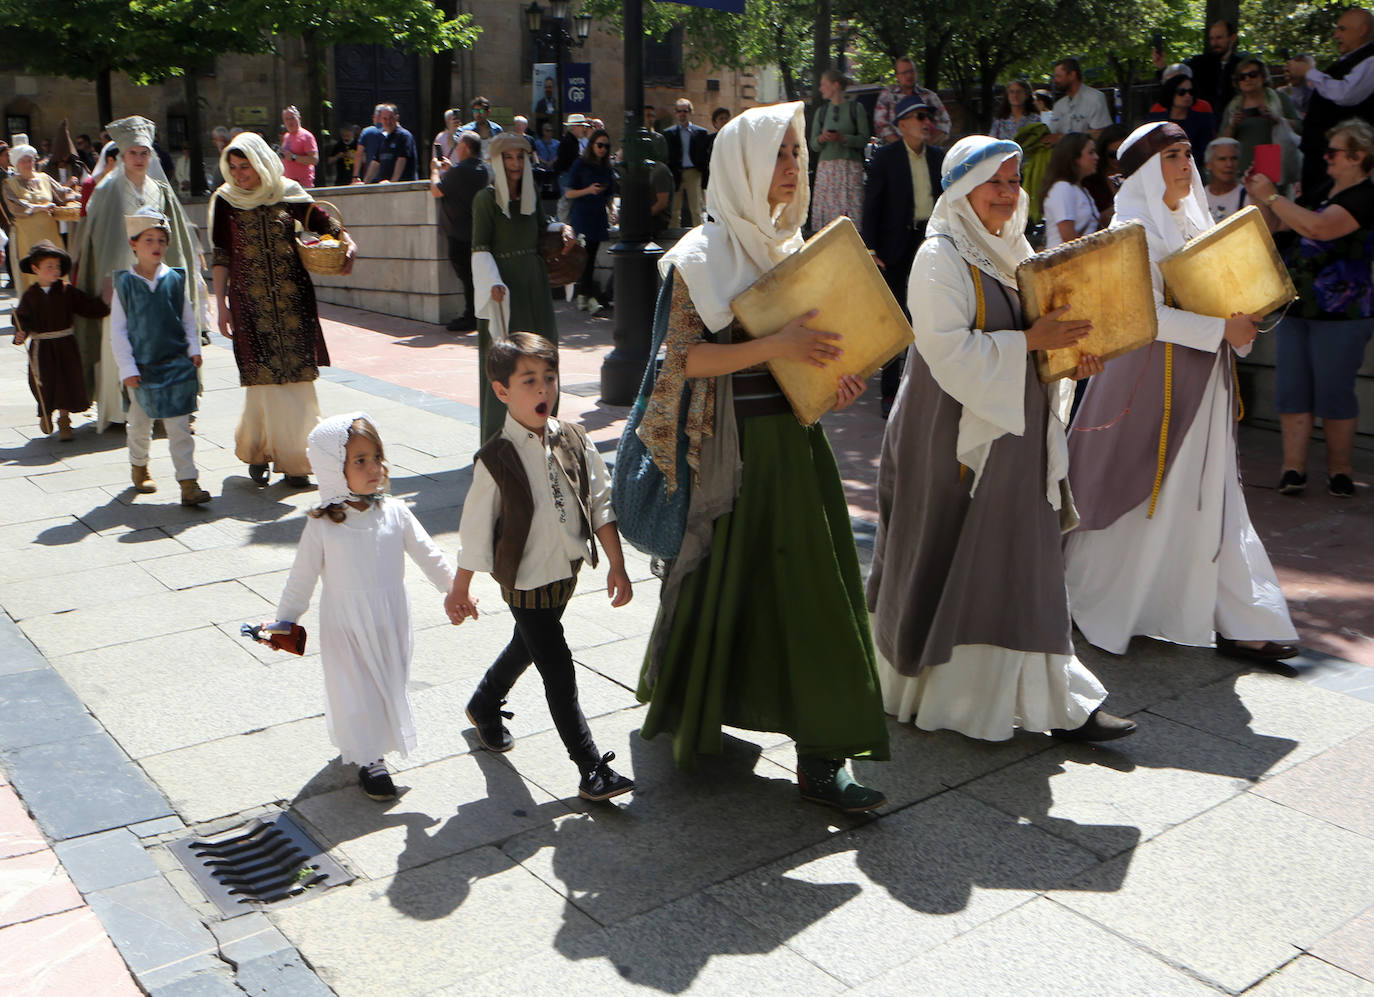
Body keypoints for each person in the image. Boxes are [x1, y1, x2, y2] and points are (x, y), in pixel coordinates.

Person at [633, 102, 889, 813]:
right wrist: (780, 347)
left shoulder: (796, 248)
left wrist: (835, 382)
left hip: (796, 448)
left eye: (797, 154)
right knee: (725, 589)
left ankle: (824, 755)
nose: (792, 169)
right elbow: (684, 359)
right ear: (742, 167)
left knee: (816, 598)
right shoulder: (699, 255)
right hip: (729, 456)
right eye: (778, 155)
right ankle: (694, 699)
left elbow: (811, 359)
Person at [866, 135, 1132, 743]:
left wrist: (1069, 357)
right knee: (953, 550)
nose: (1008, 195)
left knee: (1024, 557)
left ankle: (1055, 697)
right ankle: (951, 695)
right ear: (962, 188)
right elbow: (945, 347)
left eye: (1015, 182)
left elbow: (1037, 335)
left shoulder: (1017, 251)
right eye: (996, 182)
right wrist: (1035, 345)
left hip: (1017, 427)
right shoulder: (939, 256)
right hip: (950, 432)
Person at [1064, 121, 1300, 669]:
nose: (1186, 165)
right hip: (1147, 385)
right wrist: (1221, 330)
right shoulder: (1130, 228)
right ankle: (1099, 600)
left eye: (1188, 153)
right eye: (1173, 156)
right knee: (1138, 491)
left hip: (1205, 382)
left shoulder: (1193, 219)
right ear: (1147, 169)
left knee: (1211, 497)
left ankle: (1240, 618)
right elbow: (1139, 315)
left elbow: (1216, 291)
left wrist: (1243, 315)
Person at [447, 333, 635, 802]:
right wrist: (461, 587)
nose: (542, 390)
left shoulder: (573, 437)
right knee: (558, 667)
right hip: (524, 579)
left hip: (565, 573)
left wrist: (617, 563)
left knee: (528, 644)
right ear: (502, 391)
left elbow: (600, 502)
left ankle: (484, 702)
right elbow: (474, 528)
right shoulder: (495, 459)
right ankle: (590, 767)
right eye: (528, 381)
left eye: (549, 378)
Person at [268, 413, 455, 801]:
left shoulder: (396, 512)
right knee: (357, 689)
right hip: (346, 626)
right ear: (333, 471)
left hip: (390, 619)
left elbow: (428, 553)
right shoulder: (323, 525)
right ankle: (371, 760)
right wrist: (286, 619)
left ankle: (372, 742)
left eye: (377, 457)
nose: (375, 468)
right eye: (360, 461)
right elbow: (301, 576)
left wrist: (454, 589)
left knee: (389, 681)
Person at [210, 131, 357, 487]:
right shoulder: (226, 201)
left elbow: (328, 225)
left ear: (261, 162)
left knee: (296, 381)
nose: (240, 173)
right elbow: (221, 255)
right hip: (249, 303)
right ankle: (259, 449)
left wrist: (347, 243)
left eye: (246, 166)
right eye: (233, 166)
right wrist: (221, 306)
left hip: (293, 301)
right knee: (263, 381)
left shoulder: (289, 192)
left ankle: (296, 461)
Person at [1245, 118, 1374, 499]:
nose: (1327, 158)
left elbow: (1319, 229)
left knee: (1334, 393)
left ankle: (1340, 471)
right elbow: (1278, 227)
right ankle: (1293, 469)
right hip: (1297, 307)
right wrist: (1259, 194)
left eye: (1334, 151)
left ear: (1357, 156)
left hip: (1342, 313)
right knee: (1292, 391)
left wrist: (1274, 197)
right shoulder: (1320, 189)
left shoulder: (1366, 195)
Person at [73, 116, 206, 433]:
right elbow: (99, 238)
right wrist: (107, 277)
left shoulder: (159, 189)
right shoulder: (107, 190)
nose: (139, 158)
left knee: (158, 339)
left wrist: (176, 277)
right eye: (132, 152)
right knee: (120, 340)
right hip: (121, 279)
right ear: (121, 155)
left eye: (144, 152)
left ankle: (164, 403)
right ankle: (121, 410)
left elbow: (174, 236)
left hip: (154, 278)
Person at [471, 132, 574, 440]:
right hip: (503, 288)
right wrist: (493, 283)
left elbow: (542, 228)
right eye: (508, 157)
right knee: (506, 362)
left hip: (535, 283)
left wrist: (563, 228)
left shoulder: (531, 196)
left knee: (544, 354)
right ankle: (498, 437)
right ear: (497, 161)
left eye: (520, 157)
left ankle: (543, 429)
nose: (515, 163)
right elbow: (480, 247)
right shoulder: (485, 200)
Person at [111, 208, 211, 506]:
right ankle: (139, 466)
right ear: (134, 243)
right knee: (140, 424)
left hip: (176, 365)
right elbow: (118, 330)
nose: (156, 246)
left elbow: (188, 319)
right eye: (149, 239)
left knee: (179, 427)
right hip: (141, 369)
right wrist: (127, 367)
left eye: (161, 240)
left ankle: (188, 482)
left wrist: (193, 348)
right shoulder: (125, 284)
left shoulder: (175, 280)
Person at [861, 94, 945, 416]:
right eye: (920, 116)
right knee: (895, 318)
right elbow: (872, 204)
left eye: (929, 117)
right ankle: (889, 391)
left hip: (929, 242)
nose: (927, 123)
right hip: (894, 244)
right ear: (902, 124)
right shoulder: (886, 157)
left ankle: (928, 386)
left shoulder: (938, 156)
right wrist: (869, 248)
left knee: (931, 313)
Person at [11, 240, 106, 441]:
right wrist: (21, 333)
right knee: (44, 382)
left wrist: (106, 302)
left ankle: (64, 421)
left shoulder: (66, 290)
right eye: (49, 266)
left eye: (57, 266)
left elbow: (87, 306)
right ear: (36, 269)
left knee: (66, 381)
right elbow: (22, 319)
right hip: (42, 347)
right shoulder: (30, 295)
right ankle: (46, 412)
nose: (55, 270)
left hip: (65, 345)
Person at [1288, 8, 1374, 197]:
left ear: (1362, 30)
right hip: (1320, 153)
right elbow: (1315, 103)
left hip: (1345, 157)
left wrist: (1309, 72)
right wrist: (1299, 84)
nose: (1336, 35)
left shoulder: (1371, 61)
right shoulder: (1346, 62)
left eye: (1342, 29)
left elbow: (1346, 94)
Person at [3, 143, 78, 294]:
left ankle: (60, 296)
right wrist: (38, 208)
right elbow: (15, 207)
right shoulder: (9, 184)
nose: (28, 164)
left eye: (30, 160)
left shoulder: (44, 178)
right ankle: (35, 300)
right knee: (35, 266)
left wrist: (81, 196)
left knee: (54, 262)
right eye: (23, 161)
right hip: (27, 234)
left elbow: (61, 194)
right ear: (16, 163)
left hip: (48, 231)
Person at [432, 131, 488, 333]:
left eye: (458, 146)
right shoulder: (483, 169)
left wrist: (436, 170)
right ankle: (476, 315)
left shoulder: (460, 171)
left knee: (467, 276)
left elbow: (436, 190)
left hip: (460, 233)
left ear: (464, 147)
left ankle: (470, 316)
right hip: (480, 231)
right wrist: (451, 169)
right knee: (475, 276)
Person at [1220, 58, 1302, 185]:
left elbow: (1300, 127)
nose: (1247, 79)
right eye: (1242, 77)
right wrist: (1233, 125)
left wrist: (1277, 119)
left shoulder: (1279, 99)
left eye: (1253, 75)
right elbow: (1222, 142)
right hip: (1242, 170)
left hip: (1275, 166)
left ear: (1263, 77)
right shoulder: (1233, 106)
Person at [809, 70, 869, 232]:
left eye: (823, 85)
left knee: (850, 216)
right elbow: (813, 144)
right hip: (827, 172)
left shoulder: (856, 108)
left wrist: (844, 138)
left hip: (849, 170)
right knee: (826, 218)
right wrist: (823, 138)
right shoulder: (821, 112)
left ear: (835, 85)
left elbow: (864, 139)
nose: (820, 89)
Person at [567, 128, 616, 314]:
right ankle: (586, 296)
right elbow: (569, 192)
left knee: (592, 256)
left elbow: (610, 192)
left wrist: (612, 209)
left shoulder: (606, 167)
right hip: (582, 215)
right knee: (584, 257)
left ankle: (584, 296)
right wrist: (588, 190)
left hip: (598, 215)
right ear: (592, 145)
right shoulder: (581, 164)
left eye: (606, 146)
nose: (602, 149)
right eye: (599, 145)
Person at [1040, 132, 1102, 248]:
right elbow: (1068, 237)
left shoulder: (1081, 190)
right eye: (1091, 153)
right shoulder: (1062, 188)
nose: (1096, 157)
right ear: (1074, 158)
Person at [874, 56, 952, 145]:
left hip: (927, 150)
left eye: (912, 71)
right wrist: (905, 149)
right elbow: (881, 126)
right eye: (904, 73)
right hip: (894, 151)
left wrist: (924, 147)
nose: (909, 75)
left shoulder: (929, 96)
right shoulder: (888, 95)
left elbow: (944, 123)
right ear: (897, 76)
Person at [1147, 74, 1216, 170]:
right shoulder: (1156, 120)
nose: (1187, 95)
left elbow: (1206, 150)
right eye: (1181, 92)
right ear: (1170, 93)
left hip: (1193, 169)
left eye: (1191, 92)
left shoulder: (1203, 120)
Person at [663, 99, 711, 228]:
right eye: (679, 111)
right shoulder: (668, 133)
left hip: (693, 172)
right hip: (675, 172)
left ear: (690, 112)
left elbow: (704, 155)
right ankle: (673, 239)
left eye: (685, 111)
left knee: (696, 209)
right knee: (674, 209)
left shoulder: (701, 133)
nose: (682, 114)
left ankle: (698, 237)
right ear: (676, 113)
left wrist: (702, 172)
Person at [1047, 58, 1113, 142]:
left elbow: (1101, 133)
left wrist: (1065, 137)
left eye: (1059, 76)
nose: (1055, 80)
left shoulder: (1095, 98)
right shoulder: (1059, 105)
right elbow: (1052, 133)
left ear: (1072, 75)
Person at [1202, 137, 1248, 220]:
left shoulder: (1246, 196)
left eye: (1233, 159)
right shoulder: (1199, 196)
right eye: (1222, 159)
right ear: (1208, 164)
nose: (1229, 164)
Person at [279, 105, 318, 188]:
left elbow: (314, 160)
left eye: (292, 118)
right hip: (287, 183)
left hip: (302, 185)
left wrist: (293, 157)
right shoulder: (286, 136)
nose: (290, 122)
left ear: (299, 118)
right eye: (287, 119)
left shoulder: (307, 136)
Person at [460, 97, 504, 163]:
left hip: (493, 167)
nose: (478, 114)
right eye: (475, 111)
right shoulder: (467, 131)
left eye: (481, 111)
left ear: (488, 112)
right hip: (475, 168)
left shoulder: (497, 130)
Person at [352, 106, 386, 183]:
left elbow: (359, 154)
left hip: (371, 177)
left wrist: (355, 176)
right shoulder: (395, 133)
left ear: (376, 117)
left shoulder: (367, 132)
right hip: (390, 177)